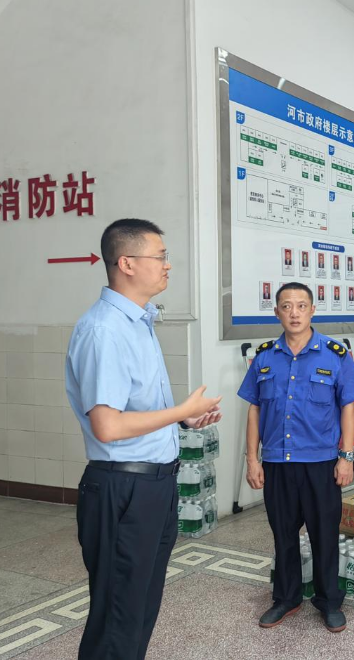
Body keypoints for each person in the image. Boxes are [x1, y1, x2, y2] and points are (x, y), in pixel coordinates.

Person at [66, 218, 222, 660]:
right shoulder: (104, 330)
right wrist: (180, 411)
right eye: (160, 256)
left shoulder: (138, 322)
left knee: (138, 611)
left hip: (153, 485)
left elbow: (134, 410)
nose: (168, 265)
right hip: (123, 488)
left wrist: (183, 423)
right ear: (127, 263)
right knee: (117, 619)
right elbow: (108, 426)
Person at [238, 282, 354, 633]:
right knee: (283, 535)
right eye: (286, 306)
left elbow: (349, 407)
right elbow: (254, 410)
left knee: (324, 535)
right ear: (277, 312)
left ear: (312, 310)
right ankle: (286, 598)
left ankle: (329, 601)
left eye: (300, 306)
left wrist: (346, 456)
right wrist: (252, 459)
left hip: (321, 463)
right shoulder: (265, 357)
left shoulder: (334, 354)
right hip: (277, 462)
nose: (294, 313)